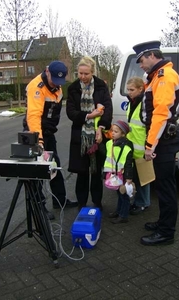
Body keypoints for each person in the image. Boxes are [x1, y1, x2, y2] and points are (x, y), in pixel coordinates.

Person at [132, 40, 179, 245]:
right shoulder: (156, 77)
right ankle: (163, 222)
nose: (141, 65)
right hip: (164, 139)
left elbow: (161, 114)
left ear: (152, 56)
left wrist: (149, 146)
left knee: (166, 187)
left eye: (142, 60)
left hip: (164, 140)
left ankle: (166, 233)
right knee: (163, 186)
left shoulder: (164, 77)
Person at [23, 60, 78, 219]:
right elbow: (33, 116)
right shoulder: (37, 88)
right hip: (34, 133)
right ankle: (39, 207)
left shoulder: (57, 85)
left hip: (48, 131)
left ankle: (59, 200)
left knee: (54, 166)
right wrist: (38, 141)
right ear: (47, 71)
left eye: (60, 81)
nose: (56, 84)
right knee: (38, 171)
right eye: (54, 79)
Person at [66, 56, 113, 211]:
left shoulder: (101, 86)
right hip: (80, 135)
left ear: (92, 72)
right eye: (80, 73)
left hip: (97, 135)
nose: (83, 77)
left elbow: (107, 108)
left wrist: (101, 127)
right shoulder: (73, 88)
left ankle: (97, 202)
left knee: (96, 170)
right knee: (82, 172)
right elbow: (71, 112)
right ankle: (81, 203)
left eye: (86, 74)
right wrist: (88, 116)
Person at [126, 77, 151, 214]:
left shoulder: (144, 104)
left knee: (144, 178)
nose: (129, 92)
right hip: (134, 146)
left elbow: (148, 127)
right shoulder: (132, 103)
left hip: (141, 148)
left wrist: (149, 146)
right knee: (137, 177)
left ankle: (143, 203)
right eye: (128, 89)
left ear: (140, 89)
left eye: (131, 90)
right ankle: (138, 202)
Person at [104, 120, 134, 224]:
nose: (112, 133)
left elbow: (129, 164)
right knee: (119, 194)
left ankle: (123, 216)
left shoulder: (126, 146)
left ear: (123, 134)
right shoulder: (111, 143)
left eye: (116, 132)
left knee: (124, 195)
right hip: (115, 175)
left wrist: (129, 178)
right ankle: (119, 211)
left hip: (123, 175)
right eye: (112, 130)